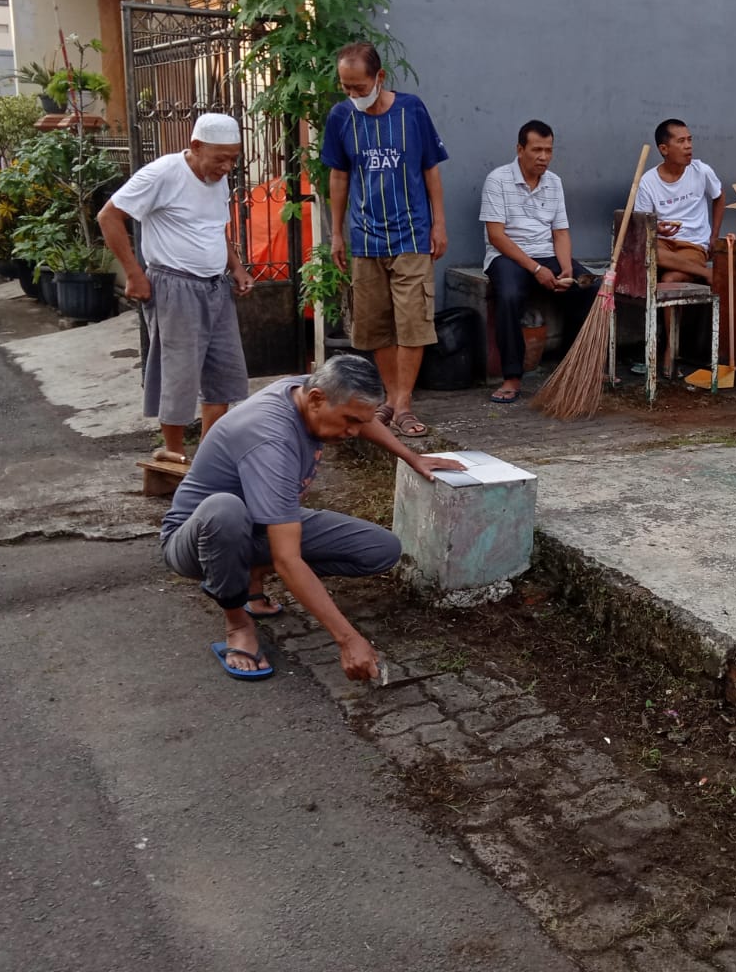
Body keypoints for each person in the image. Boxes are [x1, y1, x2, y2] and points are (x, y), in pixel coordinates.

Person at [160, 355, 464, 680]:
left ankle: (249, 573)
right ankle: (237, 621)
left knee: (381, 549)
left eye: (359, 422)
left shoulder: (308, 390)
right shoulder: (270, 439)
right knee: (226, 511)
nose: (353, 431)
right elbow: (288, 558)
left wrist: (412, 457)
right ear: (317, 399)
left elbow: (360, 416)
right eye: (348, 420)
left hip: (260, 523)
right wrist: (348, 640)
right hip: (195, 541)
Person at [98, 113, 256, 465]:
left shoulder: (218, 178)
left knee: (223, 373)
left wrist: (237, 268)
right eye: (221, 158)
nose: (228, 166)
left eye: (234, 158)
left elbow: (215, 229)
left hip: (216, 287)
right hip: (175, 286)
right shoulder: (164, 173)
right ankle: (172, 453)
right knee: (179, 371)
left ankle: (207, 458)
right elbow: (108, 216)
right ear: (196, 147)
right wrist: (134, 274)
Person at [321, 42, 450, 440]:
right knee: (376, 325)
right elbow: (339, 177)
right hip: (364, 238)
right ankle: (391, 400)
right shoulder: (341, 117)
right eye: (346, 88)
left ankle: (405, 404)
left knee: (413, 323)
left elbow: (430, 168)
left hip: (411, 235)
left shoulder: (412, 110)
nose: (353, 95)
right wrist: (337, 232)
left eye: (359, 87)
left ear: (380, 78)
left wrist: (439, 223)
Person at [479, 120, 596, 403]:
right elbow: (496, 236)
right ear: (520, 149)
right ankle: (512, 377)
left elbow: (561, 232)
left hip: (547, 253)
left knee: (589, 288)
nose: (543, 157)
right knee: (508, 296)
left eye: (549, 150)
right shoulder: (498, 180)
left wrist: (565, 265)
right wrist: (536, 268)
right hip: (508, 255)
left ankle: (571, 366)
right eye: (537, 150)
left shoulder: (554, 182)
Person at [636, 119, 725, 284]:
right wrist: (657, 228)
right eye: (681, 141)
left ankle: (699, 272)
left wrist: (714, 236)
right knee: (647, 250)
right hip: (663, 244)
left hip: (693, 245)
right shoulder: (648, 181)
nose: (688, 146)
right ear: (664, 149)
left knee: (669, 280)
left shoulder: (701, 171)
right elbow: (642, 226)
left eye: (689, 140)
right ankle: (706, 272)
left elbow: (719, 196)